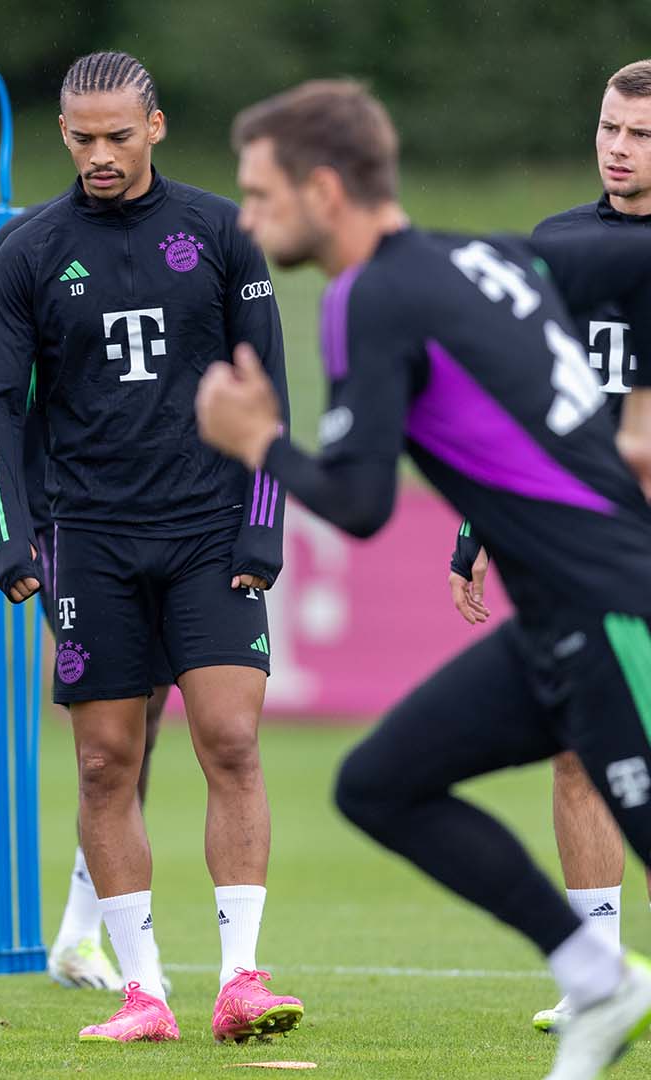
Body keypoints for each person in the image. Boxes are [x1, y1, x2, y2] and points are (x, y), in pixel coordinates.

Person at [202, 77, 651, 1080]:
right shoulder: (485, 255)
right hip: (555, 628)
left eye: (262, 194)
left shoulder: (372, 296)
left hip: (621, 615)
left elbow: (358, 503)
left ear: (324, 191)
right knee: (381, 784)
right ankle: (598, 975)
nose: (248, 217)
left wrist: (259, 439)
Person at [0, 51, 300, 1044]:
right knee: (107, 765)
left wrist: (265, 519)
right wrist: (8, 533)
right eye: (81, 137)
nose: (100, 154)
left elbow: (269, 385)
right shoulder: (27, 251)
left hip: (208, 529)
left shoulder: (220, 233)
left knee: (230, 741)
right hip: (91, 540)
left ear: (154, 127)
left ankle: (242, 976)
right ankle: (145, 990)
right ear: (63, 134)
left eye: (119, 135)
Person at [443, 59, 651, 1035]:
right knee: (581, 750)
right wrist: (478, 528)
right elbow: (517, 405)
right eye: (610, 129)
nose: (618, 148)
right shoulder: (558, 246)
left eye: (640, 136)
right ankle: (597, 973)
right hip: (577, 542)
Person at [0, 200, 175, 994]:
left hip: (167, 507)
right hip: (62, 510)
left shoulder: (179, 239)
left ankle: (82, 931)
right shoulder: (26, 247)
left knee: (146, 712)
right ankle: (90, 931)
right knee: (113, 719)